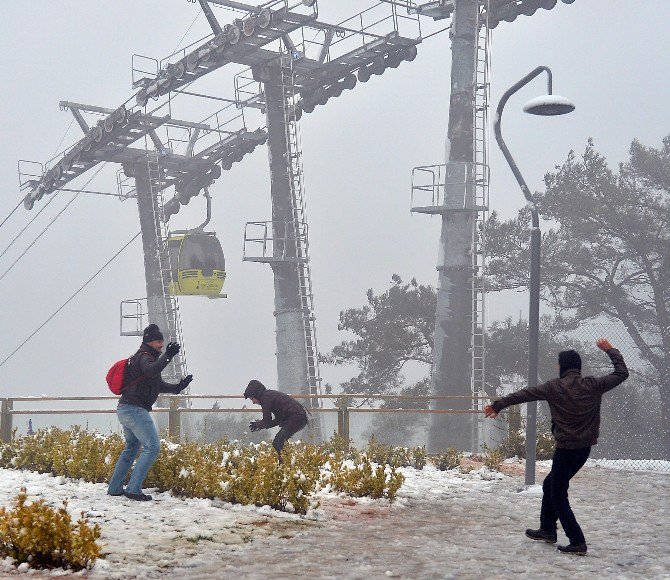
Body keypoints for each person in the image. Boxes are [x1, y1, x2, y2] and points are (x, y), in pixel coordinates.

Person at [484, 338, 628, 556]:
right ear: (577, 367)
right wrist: (610, 350)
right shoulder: (593, 385)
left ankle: (577, 540)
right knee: (551, 483)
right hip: (583, 449)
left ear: (562, 367)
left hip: (566, 449)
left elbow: (524, 394)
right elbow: (621, 373)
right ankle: (547, 529)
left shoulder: (553, 387)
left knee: (557, 493)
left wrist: (498, 405)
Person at [108, 324, 193, 501]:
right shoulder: (144, 357)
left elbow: (157, 384)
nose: (162, 344)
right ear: (149, 341)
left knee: (132, 448)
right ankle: (133, 489)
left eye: (162, 341)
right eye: (158, 341)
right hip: (134, 409)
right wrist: (168, 356)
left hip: (126, 409)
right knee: (153, 447)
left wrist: (178, 387)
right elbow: (149, 371)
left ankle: (115, 488)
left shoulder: (146, 359)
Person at [244, 379, 308, 461]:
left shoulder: (266, 399)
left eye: (252, 398)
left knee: (278, 442)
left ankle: (286, 465)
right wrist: (260, 425)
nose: (253, 402)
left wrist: (257, 424)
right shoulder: (269, 396)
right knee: (279, 442)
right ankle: (288, 463)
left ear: (256, 394)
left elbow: (267, 420)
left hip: (296, 417)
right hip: (299, 417)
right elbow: (277, 420)